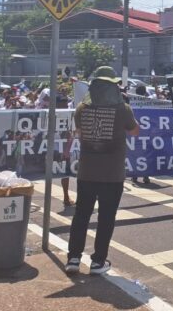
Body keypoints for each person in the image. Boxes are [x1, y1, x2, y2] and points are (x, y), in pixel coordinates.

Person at [67, 67, 140, 275]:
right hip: (112, 173)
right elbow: (134, 131)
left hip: (87, 171)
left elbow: (80, 134)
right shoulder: (123, 109)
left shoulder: (81, 108)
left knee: (81, 215)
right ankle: (98, 261)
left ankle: (73, 258)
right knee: (106, 218)